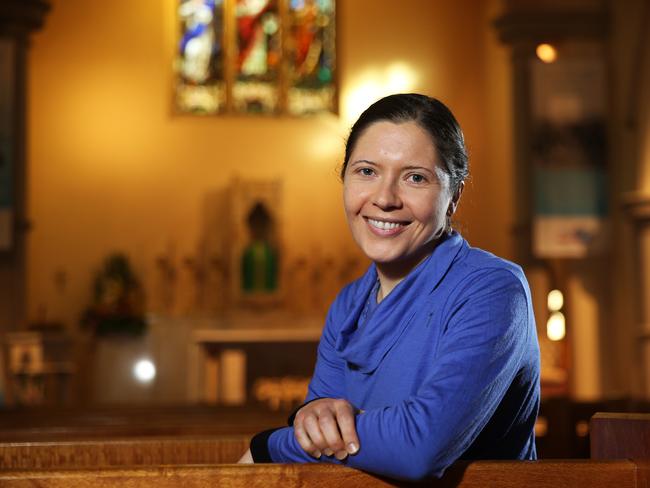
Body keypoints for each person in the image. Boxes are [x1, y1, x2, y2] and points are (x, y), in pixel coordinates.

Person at [238, 93, 540, 480]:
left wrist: (268, 445)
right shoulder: (348, 305)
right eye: (366, 171)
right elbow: (317, 430)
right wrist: (306, 427)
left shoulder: (492, 290)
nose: (383, 198)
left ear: (454, 197)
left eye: (415, 177)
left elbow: (419, 447)